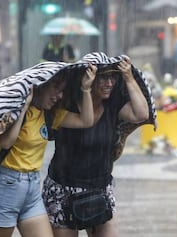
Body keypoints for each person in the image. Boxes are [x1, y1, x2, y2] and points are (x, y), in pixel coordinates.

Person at [0, 64, 97, 237]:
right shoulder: (13, 109)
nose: (59, 96)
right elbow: (5, 142)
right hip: (6, 187)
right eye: (56, 88)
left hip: (32, 189)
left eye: (62, 90)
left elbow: (86, 121)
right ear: (39, 85)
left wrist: (86, 89)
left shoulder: (50, 115)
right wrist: (23, 107)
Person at [42, 55, 150, 236]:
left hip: (100, 187)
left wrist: (129, 77)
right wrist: (85, 89)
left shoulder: (113, 105)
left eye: (112, 78)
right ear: (89, 78)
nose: (109, 83)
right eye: (103, 78)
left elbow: (141, 114)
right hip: (64, 189)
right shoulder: (66, 105)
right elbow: (86, 121)